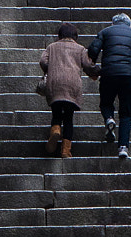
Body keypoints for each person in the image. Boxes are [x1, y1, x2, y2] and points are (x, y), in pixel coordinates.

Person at [88, 11, 131, 157]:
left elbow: (93, 50)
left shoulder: (105, 32)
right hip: (128, 76)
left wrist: (93, 67)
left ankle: (109, 118)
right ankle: (123, 147)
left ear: (113, 23)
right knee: (126, 113)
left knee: (105, 103)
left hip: (109, 73)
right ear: (129, 24)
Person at [39, 22, 99, 158]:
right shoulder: (80, 49)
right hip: (72, 84)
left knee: (56, 112)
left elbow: (43, 61)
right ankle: (65, 150)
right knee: (69, 118)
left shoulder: (51, 47)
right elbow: (88, 64)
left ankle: (55, 130)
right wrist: (96, 72)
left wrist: (51, 68)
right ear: (75, 36)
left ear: (60, 35)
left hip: (55, 83)